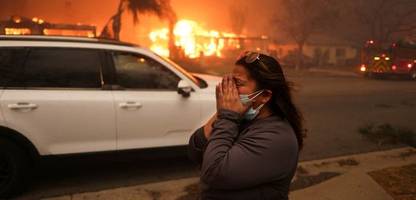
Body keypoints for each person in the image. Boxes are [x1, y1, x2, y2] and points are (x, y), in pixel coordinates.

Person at [188, 51, 305, 200]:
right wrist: (221, 113)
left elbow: (213, 173)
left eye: (237, 84)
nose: (229, 90)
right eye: (229, 83)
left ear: (265, 96)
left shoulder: (277, 137)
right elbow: (195, 150)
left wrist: (227, 116)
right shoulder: (239, 118)